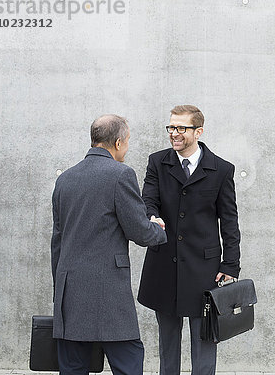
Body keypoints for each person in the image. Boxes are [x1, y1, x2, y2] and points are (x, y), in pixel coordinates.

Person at [51, 114, 167, 375]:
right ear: (117, 142)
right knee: (128, 359)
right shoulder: (120, 175)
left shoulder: (65, 179)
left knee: (73, 366)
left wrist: (60, 290)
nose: (127, 146)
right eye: (127, 141)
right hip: (108, 290)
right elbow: (140, 232)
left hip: (69, 290)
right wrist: (158, 229)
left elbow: (57, 242)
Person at [138, 105, 241, 375]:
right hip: (165, 266)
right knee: (168, 345)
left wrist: (230, 265)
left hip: (203, 270)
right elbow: (149, 198)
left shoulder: (221, 169)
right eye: (171, 127)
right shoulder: (157, 162)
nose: (174, 133)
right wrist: (151, 215)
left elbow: (229, 222)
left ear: (199, 132)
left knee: (205, 342)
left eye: (181, 128)